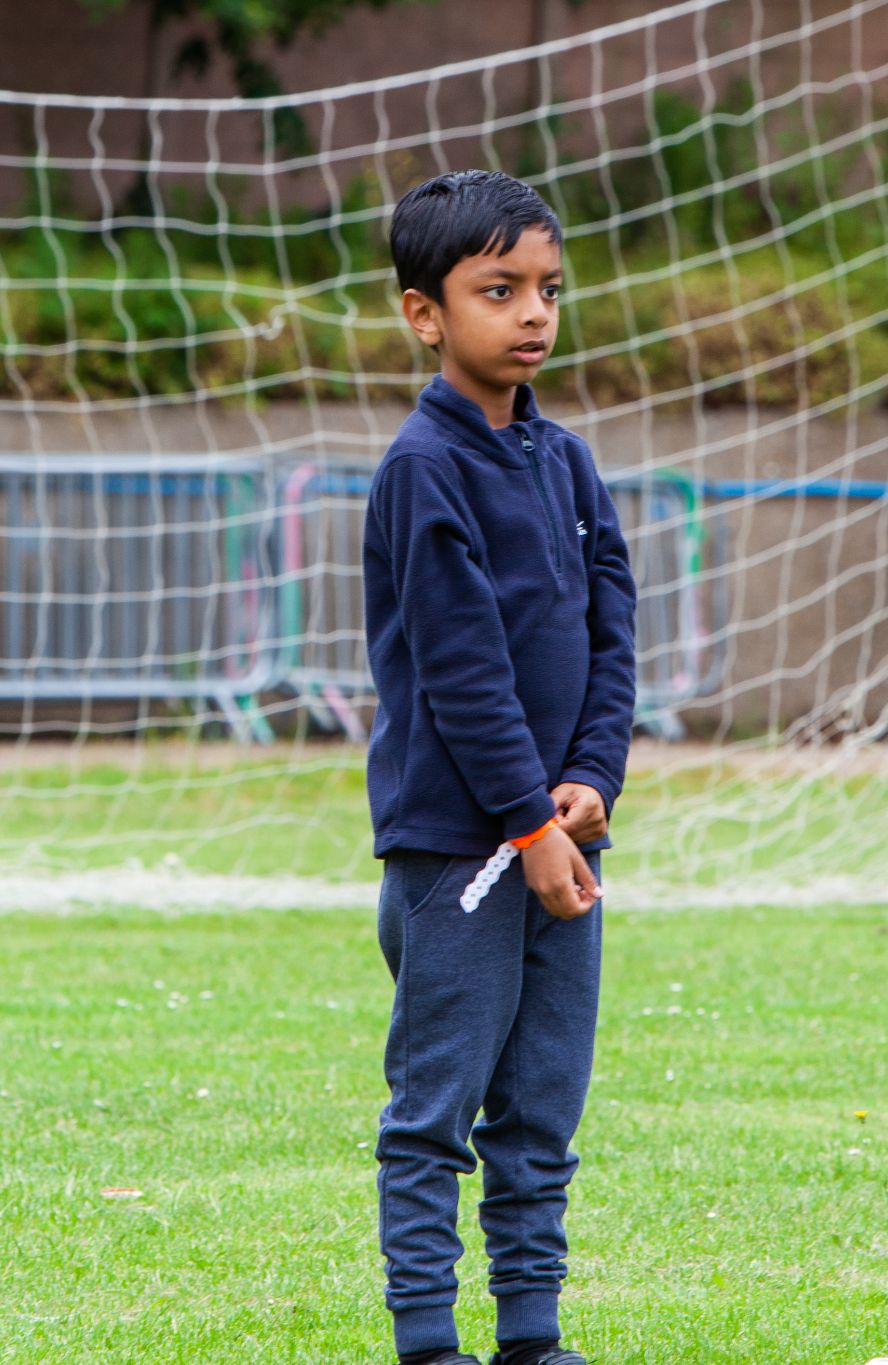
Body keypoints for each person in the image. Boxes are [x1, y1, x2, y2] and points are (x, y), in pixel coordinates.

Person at [364, 168, 636, 1365]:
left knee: (542, 1105)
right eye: (499, 289)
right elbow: (461, 669)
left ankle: (532, 1335)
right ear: (425, 314)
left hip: (564, 842)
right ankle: (430, 1341)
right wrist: (526, 824)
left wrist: (593, 780)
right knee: (437, 1110)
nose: (532, 312)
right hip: (460, 852)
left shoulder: (567, 463)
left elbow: (613, 632)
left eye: (548, 289)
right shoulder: (422, 468)